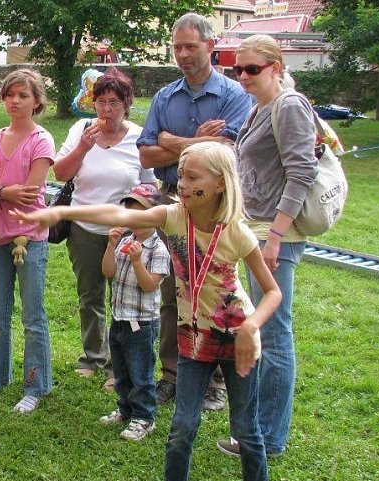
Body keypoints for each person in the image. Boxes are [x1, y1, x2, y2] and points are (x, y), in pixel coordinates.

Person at [13, 141, 282, 481]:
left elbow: (273, 292)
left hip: (236, 338)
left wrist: (252, 326)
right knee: (182, 428)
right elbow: (122, 215)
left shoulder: (236, 233)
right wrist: (63, 212)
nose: (182, 184)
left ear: (220, 183)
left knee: (246, 430)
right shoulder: (172, 216)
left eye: (192, 178)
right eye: (180, 176)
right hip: (193, 339)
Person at [137, 12, 251, 410]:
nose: (183, 54)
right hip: (172, 197)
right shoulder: (165, 97)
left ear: (210, 45)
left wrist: (171, 140)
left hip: (216, 208)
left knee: (216, 290)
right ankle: (173, 373)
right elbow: (147, 154)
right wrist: (191, 141)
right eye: (177, 47)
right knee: (172, 291)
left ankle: (216, 381)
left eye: (191, 46)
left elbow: (227, 153)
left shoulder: (235, 96)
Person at [215, 34, 318, 459]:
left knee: (273, 335)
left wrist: (275, 235)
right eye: (236, 69)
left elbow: (302, 173)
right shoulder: (261, 106)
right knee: (263, 331)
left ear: (276, 66)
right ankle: (256, 430)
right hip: (255, 228)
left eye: (252, 69)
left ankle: (268, 439)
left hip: (276, 235)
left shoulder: (289, 105)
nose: (242, 77)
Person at [52, 67, 155, 391]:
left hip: (123, 230)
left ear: (126, 104)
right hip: (83, 226)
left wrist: (134, 220)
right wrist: (82, 147)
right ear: (92, 103)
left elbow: (149, 187)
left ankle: (116, 366)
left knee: (123, 299)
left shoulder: (139, 137)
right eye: (101, 102)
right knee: (89, 295)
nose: (106, 110)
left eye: (114, 102)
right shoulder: (81, 130)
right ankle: (92, 357)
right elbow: (59, 172)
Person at [0, 69, 55, 413]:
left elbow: (30, 193)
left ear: (37, 101)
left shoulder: (41, 140)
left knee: (32, 317)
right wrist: (1, 190)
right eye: (10, 94)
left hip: (30, 237)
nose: (15, 101)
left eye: (23, 95)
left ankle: (36, 386)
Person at [98, 184, 170, 441]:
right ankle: (125, 408)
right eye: (130, 213)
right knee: (122, 370)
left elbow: (150, 285)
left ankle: (144, 417)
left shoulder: (157, 249)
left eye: (141, 213)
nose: (134, 219)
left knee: (141, 372)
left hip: (141, 323)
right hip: (119, 317)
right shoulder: (125, 242)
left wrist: (138, 261)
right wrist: (110, 246)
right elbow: (108, 272)